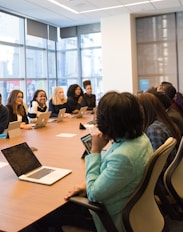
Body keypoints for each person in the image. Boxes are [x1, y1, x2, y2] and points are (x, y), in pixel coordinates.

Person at [30, 92, 153, 232]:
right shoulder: (141, 139)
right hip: (131, 206)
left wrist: (95, 151)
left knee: (44, 216)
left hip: (108, 216)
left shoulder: (123, 157)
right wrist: (85, 186)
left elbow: (94, 194)